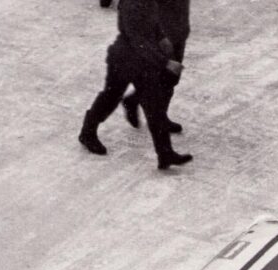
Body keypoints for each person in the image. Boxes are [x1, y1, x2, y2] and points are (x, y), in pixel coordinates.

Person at [77, 0, 193, 169]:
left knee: (154, 105)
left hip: (142, 60)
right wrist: (165, 63)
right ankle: (87, 132)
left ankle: (165, 154)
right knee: (110, 97)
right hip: (124, 60)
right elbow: (138, 41)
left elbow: (153, 23)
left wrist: (162, 38)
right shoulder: (132, 4)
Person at [122, 0, 187, 134]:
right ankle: (158, 117)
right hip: (156, 27)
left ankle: (136, 101)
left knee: (171, 77)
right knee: (162, 74)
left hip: (175, 25)